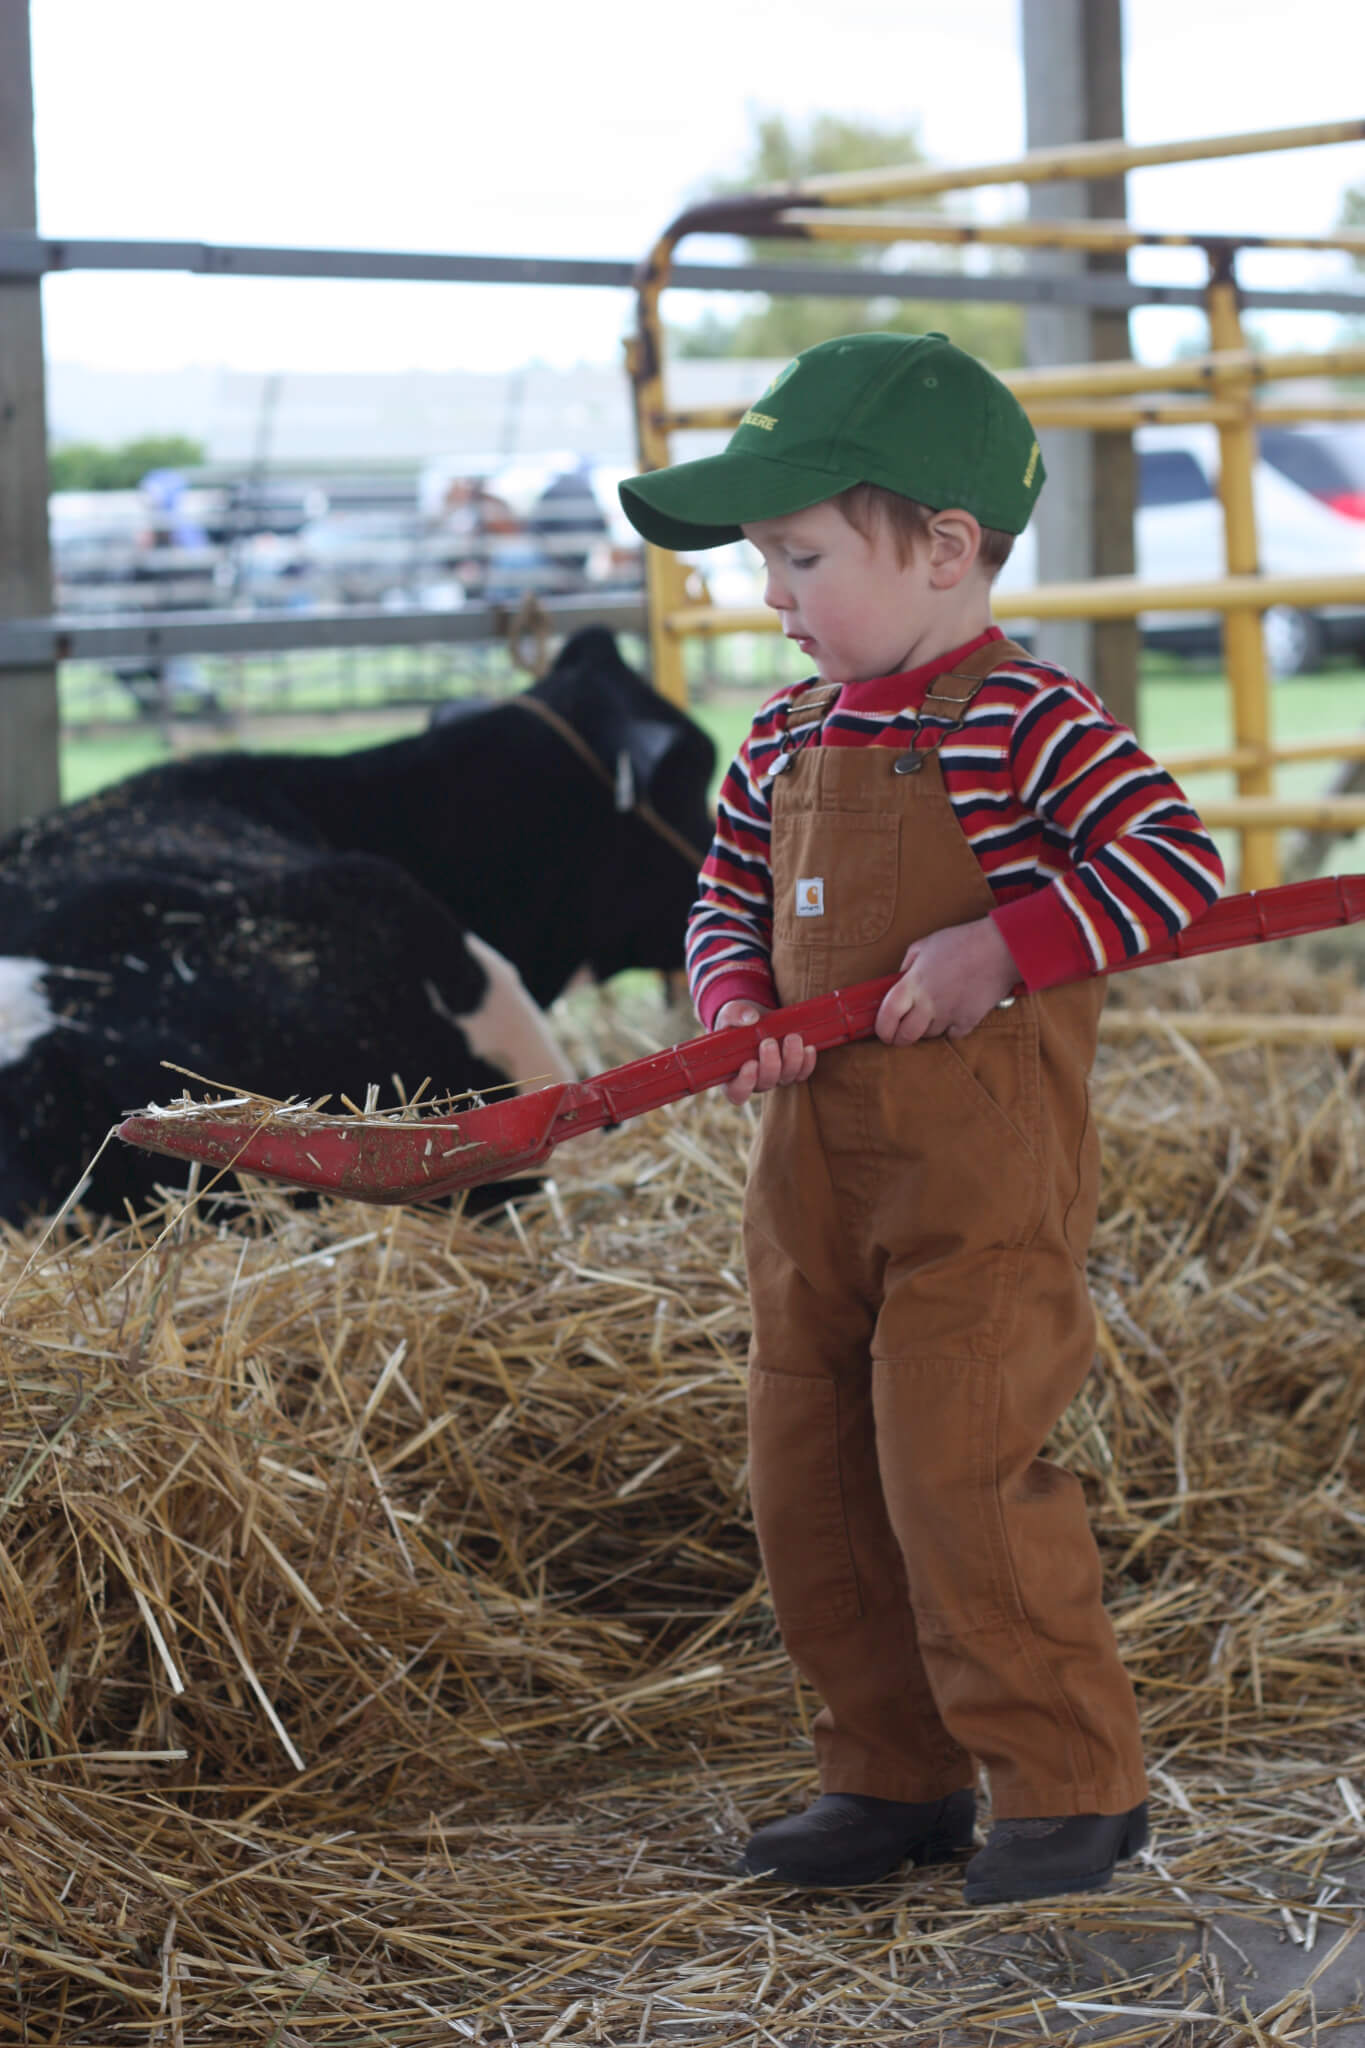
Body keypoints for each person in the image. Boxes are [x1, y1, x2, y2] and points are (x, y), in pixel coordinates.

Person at [617, 332, 1224, 1906]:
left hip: (978, 1193)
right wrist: (733, 1001)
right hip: (808, 1187)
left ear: (945, 548)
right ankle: (887, 1776)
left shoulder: (1030, 720)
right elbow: (722, 900)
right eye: (764, 562)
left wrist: (1000, 948)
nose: (772, 595)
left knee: (955, 1472)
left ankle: (1067, 1789)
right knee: (809, 1475)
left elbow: (1174, 867)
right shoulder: (781, 737)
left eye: (801, 556)